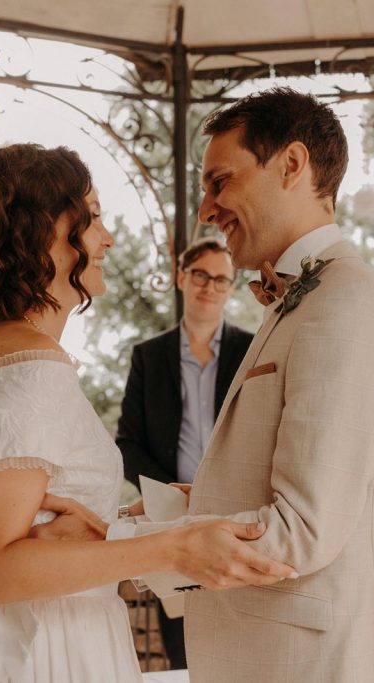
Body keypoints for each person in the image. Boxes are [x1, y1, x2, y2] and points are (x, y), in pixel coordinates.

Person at [0, 143, 296, 683]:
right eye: (93, 217)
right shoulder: (31, 369)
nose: (107, 238)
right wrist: (172, 546)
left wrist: (128, 521)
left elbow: (34, 526)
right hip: (46, 649)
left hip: (35, 631)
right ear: (43, 231)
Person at [100, 88, 374, 681]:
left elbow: (300, 531)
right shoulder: (302, 300)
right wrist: (150, 517)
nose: (205, 208)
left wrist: (121, 544)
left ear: (292, 165)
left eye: (219, 181)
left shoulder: (346, 306)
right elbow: (253, 484)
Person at [116, 236, 252, 668]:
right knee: (184, 656)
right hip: (171, 523)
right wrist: (167, 498)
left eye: (220, 279)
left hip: (237, 518)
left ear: (230, 287)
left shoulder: (252, 352)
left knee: (242, 652)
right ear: (181, 277)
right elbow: (127, 443)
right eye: (200, 275)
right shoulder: (147, 357)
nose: (209, 286)